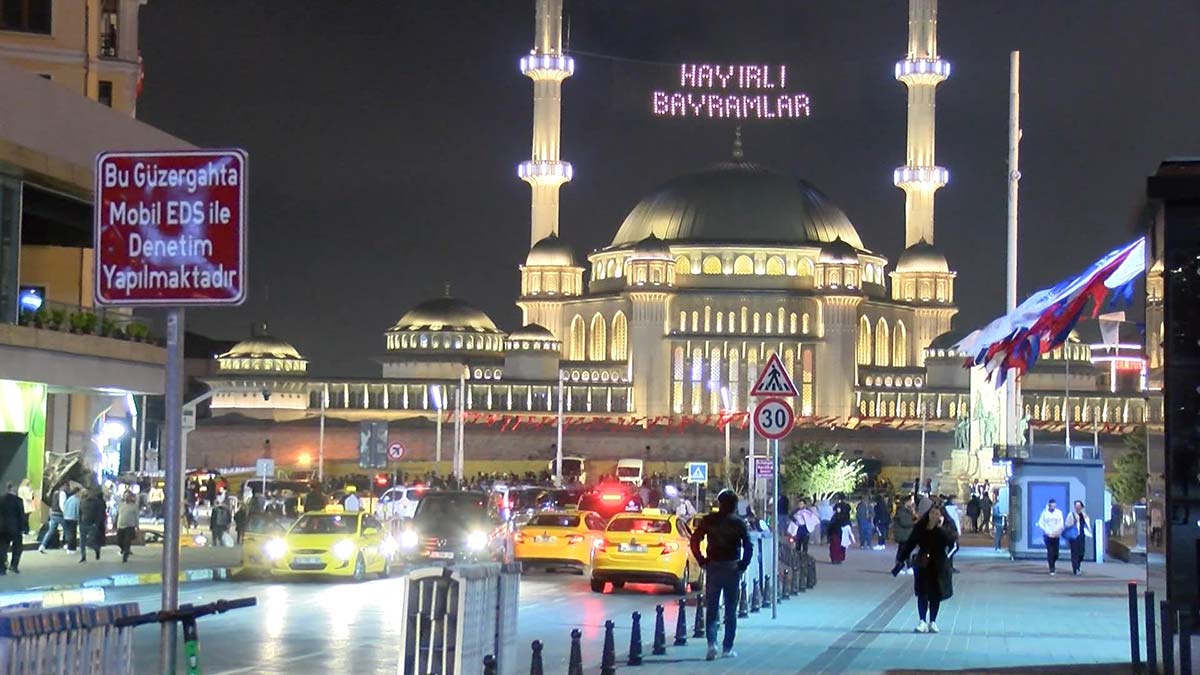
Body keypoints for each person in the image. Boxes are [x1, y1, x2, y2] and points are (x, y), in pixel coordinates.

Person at [688, 489, 753, 661]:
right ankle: (727, 648)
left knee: (712, 607)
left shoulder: (709, 520)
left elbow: (694, 540)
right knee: (731, 609)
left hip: (713, 566)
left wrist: (702, 560)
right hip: (732, 567)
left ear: (719, 503)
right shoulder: (738, 523)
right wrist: (743, 565)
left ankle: (712, 644)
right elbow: (748, 545)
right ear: (734, 505)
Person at [893, 498, 959, 634]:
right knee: (923, 593)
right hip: (923, 563)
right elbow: (911, 542)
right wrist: (901, 559)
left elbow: (952, 541)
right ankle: (922, 620)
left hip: (939, 564)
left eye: (937, 514)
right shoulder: (921, 526)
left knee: (935, 594)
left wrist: (941, 528)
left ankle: (932, 621)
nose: (934, 516)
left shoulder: (946, 526)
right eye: (932, 513)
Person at [0, 483, 27, 574]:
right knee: (17, 548)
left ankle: (2, 568)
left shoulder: (1, 499)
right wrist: (24, 527)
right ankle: (14, 566)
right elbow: (21, 515)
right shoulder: (18, 500)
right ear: (12, 488)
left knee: (2, 548)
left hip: (2, 528)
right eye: (16, 487)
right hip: (15, 528)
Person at [1036, 498, 1065, 575]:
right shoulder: (1044, 513)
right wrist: (1046, 530)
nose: (1053, 507)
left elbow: (1061, 523)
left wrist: (1057, 531)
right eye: (1051, 505)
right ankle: (1052, 568)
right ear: (1049, 505)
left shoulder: (1059, 513)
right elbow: (1040, 523)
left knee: (1056, 553)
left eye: (1054, 505)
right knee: (1050, 551)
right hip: (1047, 535)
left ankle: (1053, 560)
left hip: (1056, 534)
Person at [1065, 500, 1092, 576]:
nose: (1078, 508)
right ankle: (1076, 569)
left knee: (1081, 553)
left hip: (1081, 536)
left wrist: (1089, 531)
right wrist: (1073, 522)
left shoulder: (1084, 515)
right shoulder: (1071, 515)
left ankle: (1078, 566)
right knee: (1074, 553)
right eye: (1076, 506)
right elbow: (1067, 524)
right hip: (1074, 536)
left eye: (1079, 506)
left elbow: (1087, 525)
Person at [79, 488, 106, 562]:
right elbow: (80, 513)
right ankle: (83, 557)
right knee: (82, 542)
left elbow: (99, 514)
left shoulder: (96, 503)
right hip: (83, 524)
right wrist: (80, 522)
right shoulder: (82, 502)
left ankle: (96, 549)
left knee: (90, 542)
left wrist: (96, 523)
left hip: (92, 524)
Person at [893, 496, 916, 575]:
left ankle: (900, 567)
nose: (912, 503)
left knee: (902, 551)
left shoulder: (907, 510)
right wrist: (913, 523)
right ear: (906, 502)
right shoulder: (901, 511)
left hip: (906, 534)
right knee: (904, 551)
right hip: (903, 534)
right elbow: (904, 523)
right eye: (910, 501)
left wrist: (913, 513)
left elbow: (912, 519)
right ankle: (906, 567)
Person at [38, 487, 65, 553]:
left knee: (50, 531)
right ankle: (68, 545)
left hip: (53, 514)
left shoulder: (54, 494)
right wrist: (65, 513)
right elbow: (62, 505)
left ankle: (42, 545)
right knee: (67, 530)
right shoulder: (62, 493)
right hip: (60, 514)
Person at [115, 492, 139, 563]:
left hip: (129, 526)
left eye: (128, 496)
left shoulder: (134, 506)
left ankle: (125, 555)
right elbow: (118, 515)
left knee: (127, 541)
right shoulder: (121, 505)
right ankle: (124, 549)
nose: (126, 497)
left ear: (131, 497)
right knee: (119, 541)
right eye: (125, 496)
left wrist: (137, 525)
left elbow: (136, 516)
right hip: (121, 525)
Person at [829, 498, 853, 564]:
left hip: (836, 531)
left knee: (836, 544)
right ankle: (839, 558)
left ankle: (835, 558)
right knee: (840, 545)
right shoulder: (845, 516)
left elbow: (832, 523)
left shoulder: (836, 516)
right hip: (839, 530)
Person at [943, 495, 963, 572]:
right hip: (951, 532)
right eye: (956, 500)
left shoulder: (949, 509)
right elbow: (954, 521)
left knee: (952, 548)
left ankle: (948, 565)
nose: (957, 502)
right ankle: (946, 564)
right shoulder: (950, 509)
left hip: (951, 532)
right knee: (954, 548)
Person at [63, 488, 81, 553]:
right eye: (79, 492)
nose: (80, 494)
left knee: (69, 533)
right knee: (73, 534)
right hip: (73, 518)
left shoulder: (69, 499)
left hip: (66, 517)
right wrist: (79, 519)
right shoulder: (77, 500)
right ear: (77, 492)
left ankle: (69, 546)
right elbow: (77, 510)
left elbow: (65, 507)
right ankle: (71, 548)